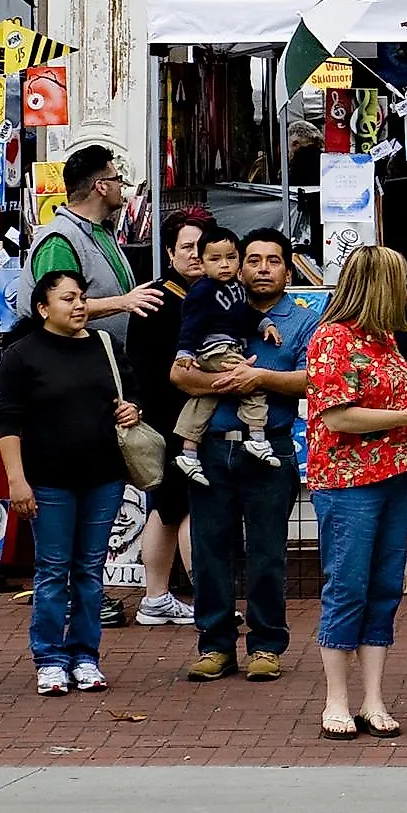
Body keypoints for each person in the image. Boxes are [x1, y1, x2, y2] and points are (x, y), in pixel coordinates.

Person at [306, 245, 407, 740]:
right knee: (347, 585)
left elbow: (374, 397)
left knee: (385, 586)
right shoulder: (333, 338)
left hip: (391, 475)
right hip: (347, 482)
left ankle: (373, 697)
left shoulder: (383, 338)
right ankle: (336, 700)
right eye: (399, 282)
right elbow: (338, 416)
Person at [172, 226, 316, 682]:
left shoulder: (303, 320)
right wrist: (226, 383)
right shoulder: (213, 304)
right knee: (210, 552)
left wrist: (260, 379)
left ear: (288, 270)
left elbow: (312, 379)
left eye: (273, 261)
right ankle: (215, 646)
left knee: (267, 553)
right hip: (213, 449)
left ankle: (266, 646)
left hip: (270, 448)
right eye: (253, 260)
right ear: (237, 265)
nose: (262, 269)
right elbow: (178, 375)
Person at [0, 269, 139, 696]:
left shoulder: (105, 345)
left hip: (103, 477)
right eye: (68, 299)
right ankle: (50, 658)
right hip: (48, 481)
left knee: (90, 570)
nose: (79, 306)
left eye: (82, 298)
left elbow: (131, 393)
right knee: (53, 570)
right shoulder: (21, 355)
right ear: (43, 308)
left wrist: (133, 409)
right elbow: (8, 423)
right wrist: (17, 481)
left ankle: (85, 655)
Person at [128, 213, 211, 627]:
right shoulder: (158, 300)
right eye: (186, 247)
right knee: (185, 507)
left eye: (202, 247)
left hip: (196, 421)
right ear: (169, 252)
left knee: (166, 510)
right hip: (171, 422)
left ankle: (156, 597)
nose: (195, 255)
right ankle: (207, 604)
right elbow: (143, 367)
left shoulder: (214, 295)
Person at [168, 225, 285, 485]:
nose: (224, 265)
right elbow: (191, 322)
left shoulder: (236, 287)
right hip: (215, 348)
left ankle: (188, 451)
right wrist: (185, 351)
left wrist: (265, 323)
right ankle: (257, 436)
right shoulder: (202, 290)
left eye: (231, 258)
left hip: (229, 345)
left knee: (206, 397)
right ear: (202, 262)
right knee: (249, 381)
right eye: (215, 259)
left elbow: (247, 313)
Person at [25, 144, 161, 350]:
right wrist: (123, 302)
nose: (122, 186)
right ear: (102, 187)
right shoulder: (59, 241)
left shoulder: (103, 230)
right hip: (73, 361)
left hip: (107, 359)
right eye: (117, 179)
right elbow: (56, 308)